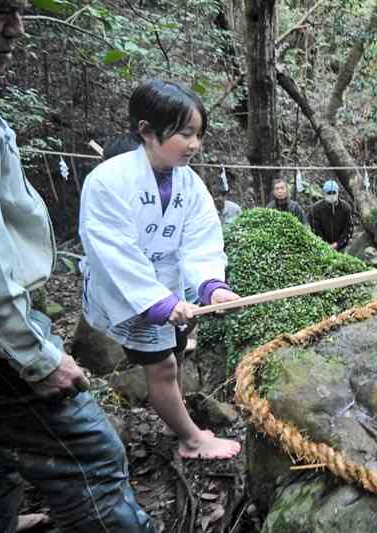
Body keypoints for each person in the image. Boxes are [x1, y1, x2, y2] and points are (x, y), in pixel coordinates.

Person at [0, 3, 156, 531]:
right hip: (1, 334)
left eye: (18, 10)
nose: (17, 27)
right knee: (92, 455)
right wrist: (34, 355)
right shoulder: (108, 182)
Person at [79, 80, 242, 461]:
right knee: (163, 366)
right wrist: (157, 303)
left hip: (171, 290)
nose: (195, 145)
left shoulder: (190, 184)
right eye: (185, 134)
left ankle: (177, 412)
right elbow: (114, 251)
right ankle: (190, 439)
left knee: (176, 351)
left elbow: (201, 240)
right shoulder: (108, 181)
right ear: (146, 131)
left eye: (198, 134)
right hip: (131, 293)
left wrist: (211, 287)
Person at [308, 179, 353, 250]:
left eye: (334, 193)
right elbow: (315, 229)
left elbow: (348, 229)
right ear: (324, 193)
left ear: (338, 193)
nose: (331, 195)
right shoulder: (315, 209)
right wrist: (324, 244)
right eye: (329, 193)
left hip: (342, 245)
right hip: (321, 245)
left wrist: (338, 244)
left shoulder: (345, 208)